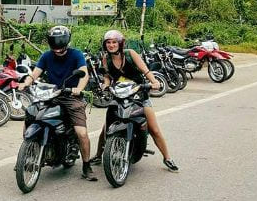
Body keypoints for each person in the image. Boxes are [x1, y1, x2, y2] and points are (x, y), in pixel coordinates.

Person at [91, 30, 179, 172]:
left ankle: (167, 158)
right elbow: (107, 75)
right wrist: (105, 84)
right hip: (119, 95)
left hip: (138, 94)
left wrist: (154, 82)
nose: (111, 45)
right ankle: (99, 155)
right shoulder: (105, 58)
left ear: (120, 44)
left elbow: (145, 70)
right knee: (105, 128)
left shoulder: (130, 54)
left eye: (114, 42)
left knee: (154, 129)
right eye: (108, 42)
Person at [18, 25, 97, 181]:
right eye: (54, 42)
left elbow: (84, 74)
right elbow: (35, 74)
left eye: (60, 42)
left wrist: (78, 89)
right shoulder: (47, 56)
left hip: (70, 96)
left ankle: (87, 166)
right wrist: (26, 82)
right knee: (32, 114)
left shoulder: (76, 55)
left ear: (66, 41)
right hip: (50, 94)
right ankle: (27, 153)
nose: (58, 46)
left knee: (81, 133)